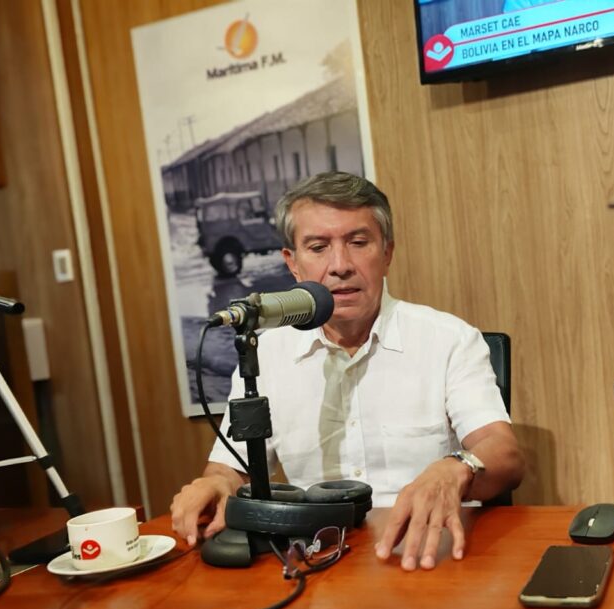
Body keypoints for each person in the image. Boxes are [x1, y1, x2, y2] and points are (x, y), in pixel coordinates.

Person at [171, 172, 524, 571]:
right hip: (317, 561)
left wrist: (457, 468)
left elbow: (504, 453)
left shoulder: (449, 339)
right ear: (293, 263)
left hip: (427, 552)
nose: (340, 266)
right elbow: (229, 468)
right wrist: (218, 483)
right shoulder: (266, 353)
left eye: (358, 243)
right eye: (318, 247)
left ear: (387, 252)